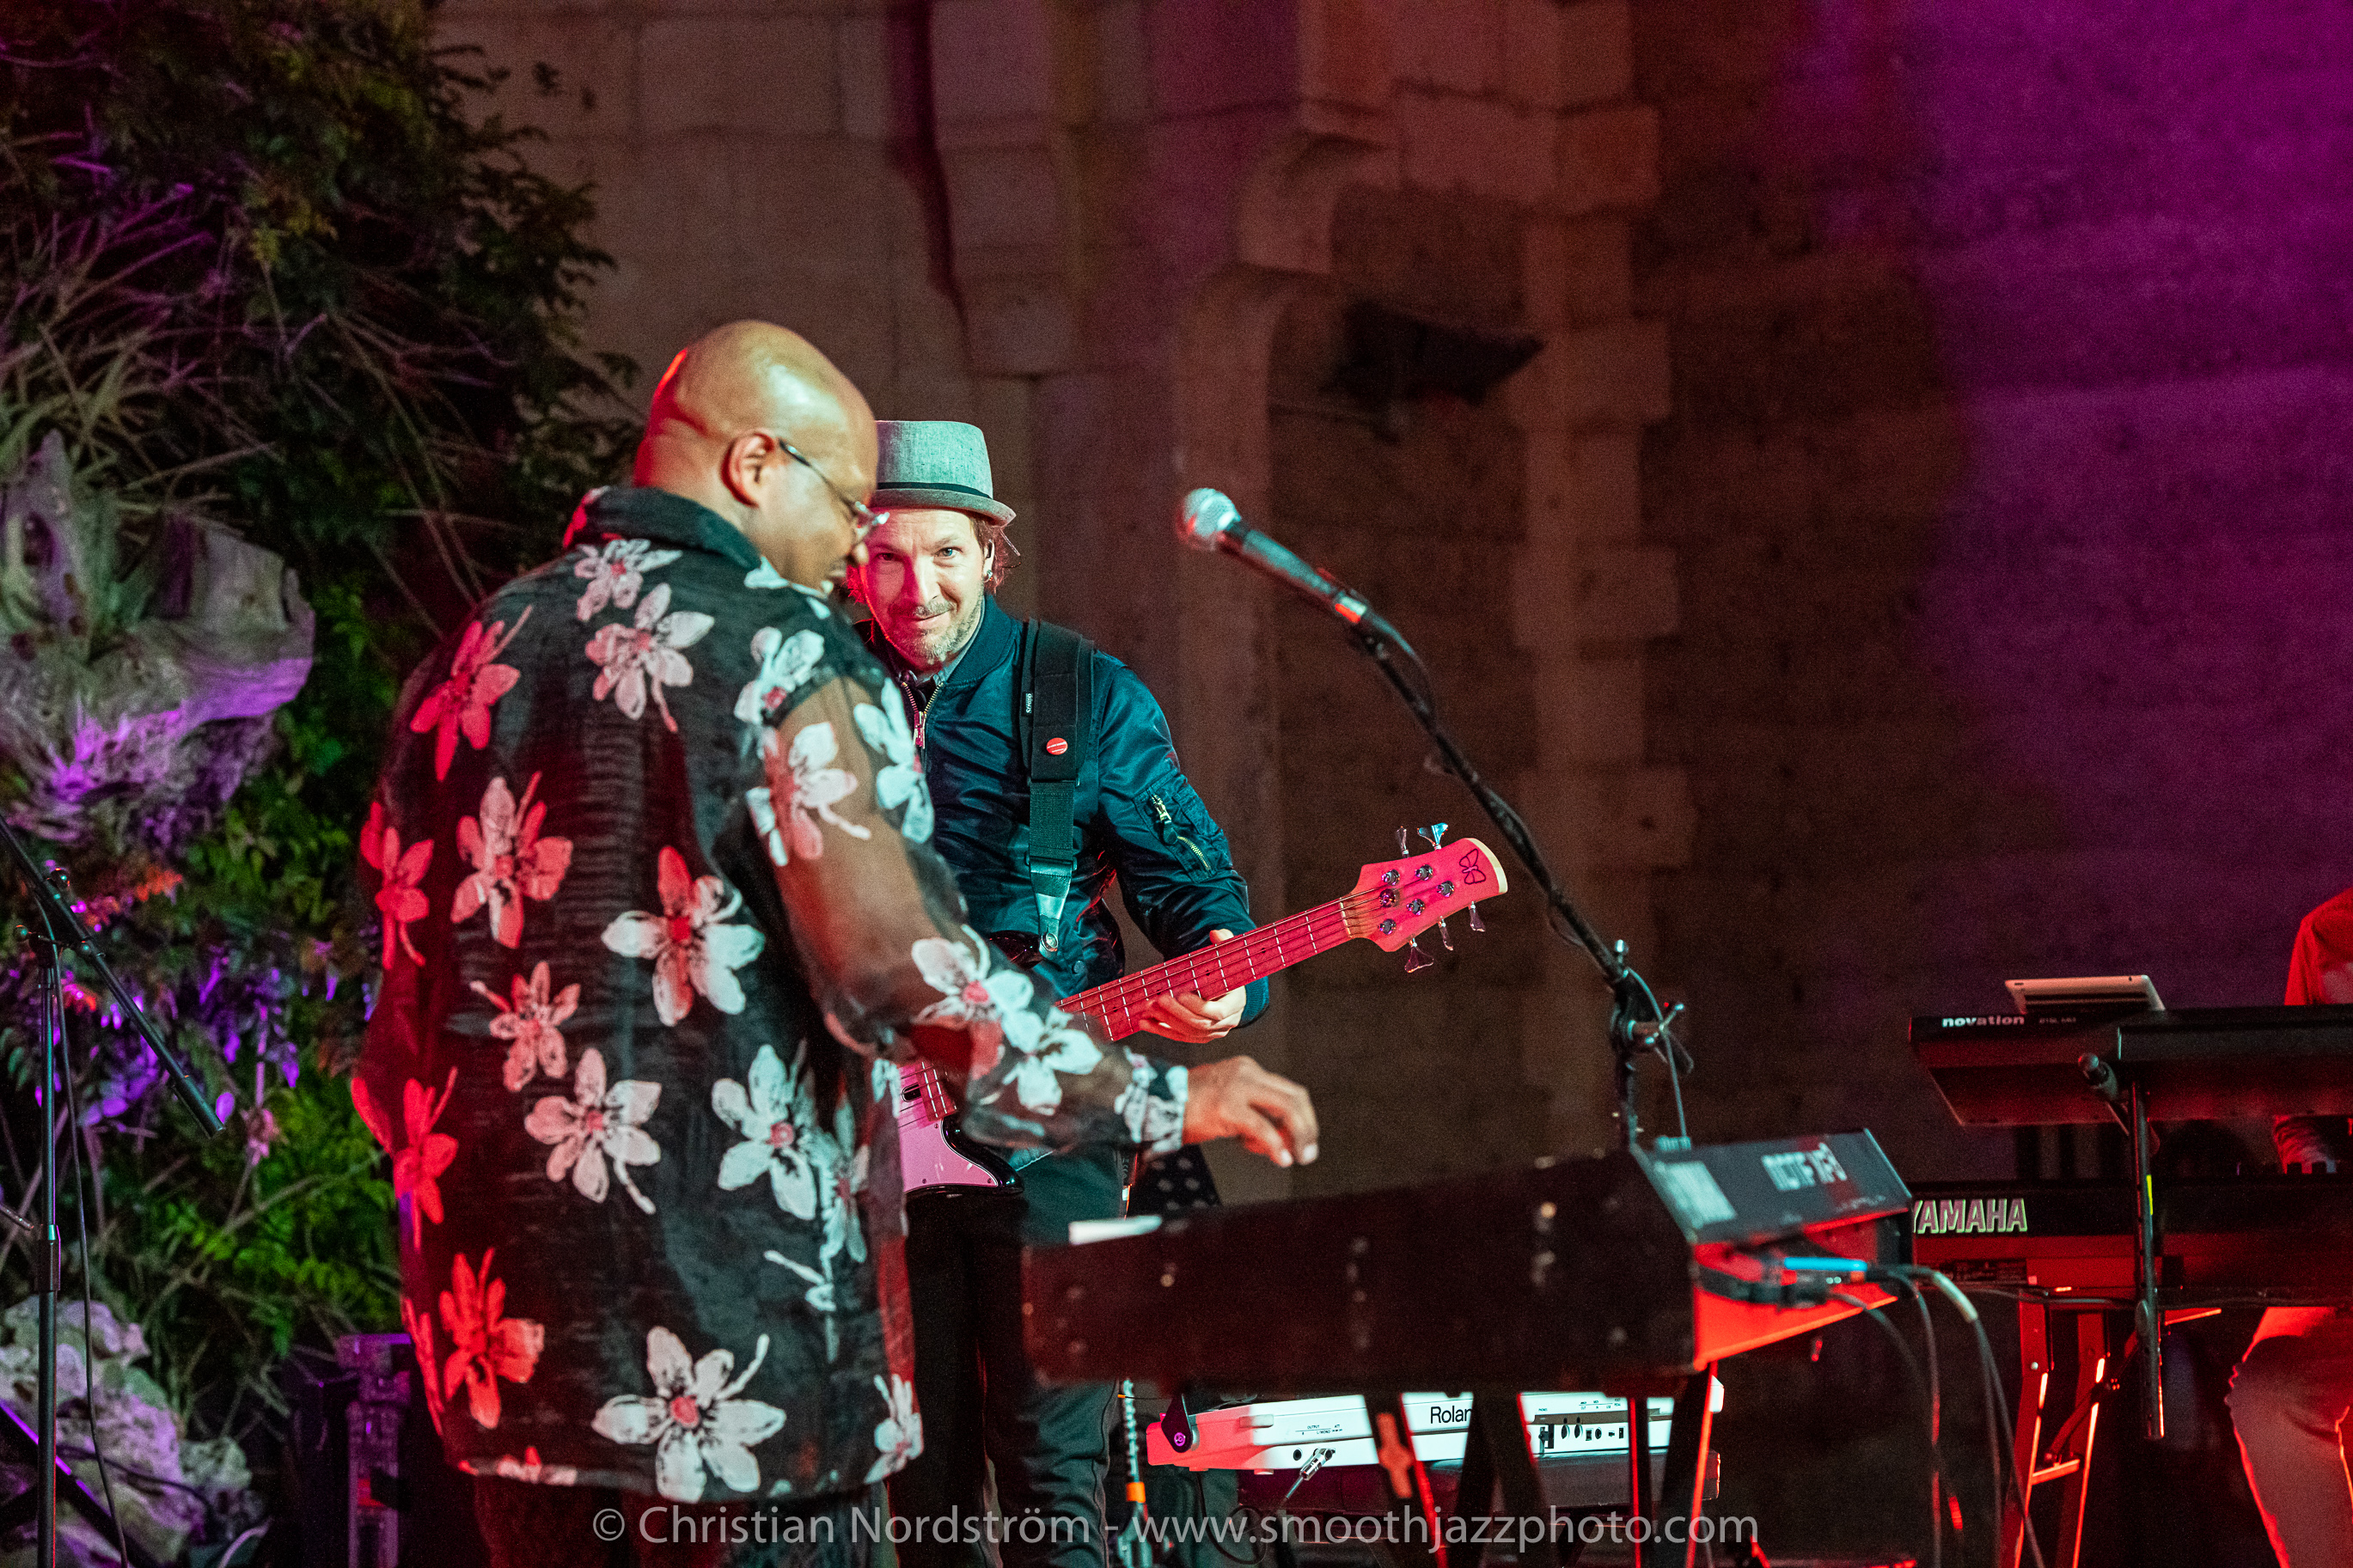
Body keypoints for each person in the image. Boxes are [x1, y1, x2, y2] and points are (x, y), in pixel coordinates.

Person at [351, 325, 1318, 1568]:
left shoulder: (470, 658)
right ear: (756, 463)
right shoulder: (786, 651)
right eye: (852, 508)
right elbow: (906, 975)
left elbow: (395, 1047)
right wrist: (1156, 1103)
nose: (854, 549)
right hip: (736, 1355)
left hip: (507, 1348)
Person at [846, 421, 1266, 1568]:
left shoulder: (1081, 691)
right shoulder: (812, 686)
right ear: (852, 562)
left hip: (1053, 1122)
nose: (917, 588)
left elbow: (1196, 886)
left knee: (1052, 1465)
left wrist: (1225, 978)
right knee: (917, 1477)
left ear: (991, 552)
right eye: (887, 558)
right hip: (865, 1136)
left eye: (944, 554)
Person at [2231, 887, 2353, 1568]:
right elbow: (2297, 1110)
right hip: (2346, 1250)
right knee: (2270, 1391)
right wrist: (2322, 1187)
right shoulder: (2328, 932)